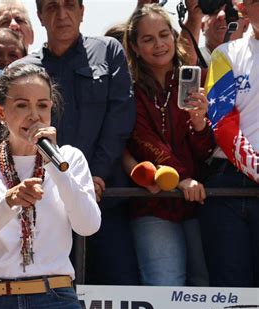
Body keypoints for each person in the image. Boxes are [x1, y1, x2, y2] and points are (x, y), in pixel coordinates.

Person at [0, 63, 101, 309]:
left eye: (42, 105)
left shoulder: (68, 158)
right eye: (22, 105)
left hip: (54, 300)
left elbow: (88, 225)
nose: (34, 115)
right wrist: (8, 201)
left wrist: (54, 165)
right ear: (0, 112)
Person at [16, 0, 138, 285]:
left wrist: (93, 175)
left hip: (106, 199)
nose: (62, 15)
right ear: (39, 16)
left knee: (119, 290)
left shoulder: (108, 51)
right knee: (54, 295)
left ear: (82, 11)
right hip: (48, 210)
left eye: (70, 5)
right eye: (52, 7)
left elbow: (119, 121)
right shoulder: (24, 70)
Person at [124, 3, 214, 286]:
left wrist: (200, 124)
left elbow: (205, 151)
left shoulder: (192, 78)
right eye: (148, 39)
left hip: (199, 202)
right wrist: (181, 178)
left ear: (174, 38)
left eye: (164, 35)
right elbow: (141, 137)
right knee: (165, 285)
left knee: (205, 288)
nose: (159, 44)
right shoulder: (128, 89)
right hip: (153, 204)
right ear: (135, 48)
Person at [200, 0, 259, 287]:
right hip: (228, 183)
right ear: (243, 7)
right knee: (232, 293)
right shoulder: (225, 54)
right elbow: (222, 122)